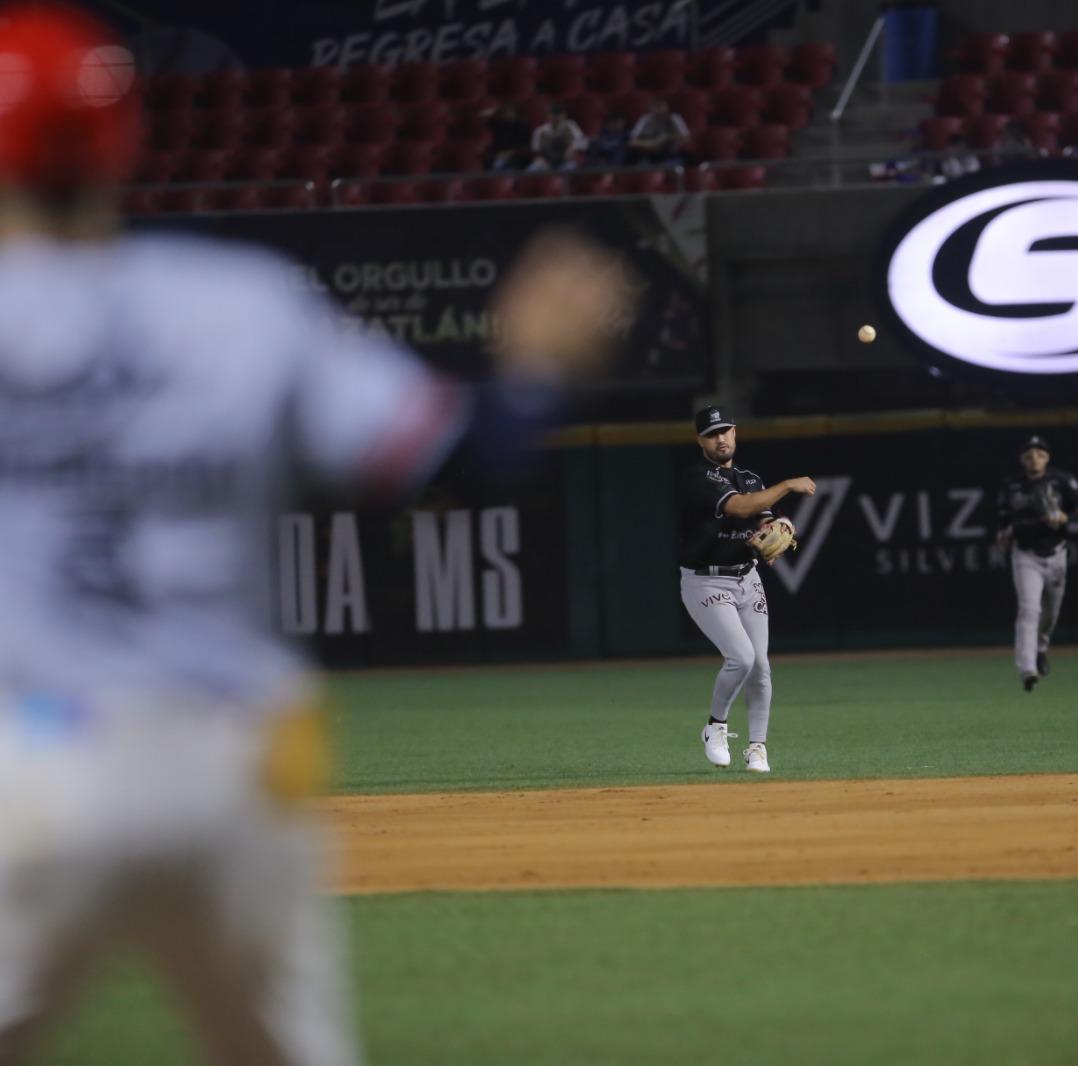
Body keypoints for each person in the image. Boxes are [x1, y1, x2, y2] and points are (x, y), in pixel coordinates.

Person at [0, 7, 634, 1064]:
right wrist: (533, 367)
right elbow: (471, 457)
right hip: (234, 766)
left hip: (37, 751)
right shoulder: (240, 304)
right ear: (120, 145)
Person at [676, 407, 815, 773]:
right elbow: (740, 507)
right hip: (705, 579)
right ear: (700, 441)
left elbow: (764, 517)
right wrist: (788, 485)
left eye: (724, 430)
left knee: (761, 667)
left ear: (735, 433)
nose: (720, 438)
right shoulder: (698, 477)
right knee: (741, 657)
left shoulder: (751, 479)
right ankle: (715, 727)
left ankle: (758, 748)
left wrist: (780, 526)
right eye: (711, 433)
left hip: (746, 578)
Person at [994, 436, 1078, 692]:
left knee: (1050, 613)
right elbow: (1003, 518)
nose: (1034, 458)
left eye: (1039, 454)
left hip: (1055, 553)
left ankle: (1041, 648)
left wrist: (1066, 517)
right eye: (1029, 454)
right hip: (1025, 554)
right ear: (1022, 459)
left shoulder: (1061, 480)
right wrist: (1003, 534)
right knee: (1029, 609)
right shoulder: (1011, 485)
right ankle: (1027, 669)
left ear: (1047, 458)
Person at [628, 97, 690, 165]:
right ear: (651, 108)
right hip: (648, 155)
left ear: (667, 107)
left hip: (670, 155)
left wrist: (667, 137)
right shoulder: (645, 119)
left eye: (661, 106)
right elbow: (632, 142)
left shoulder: (675, 118)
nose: (659, 110)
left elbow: (686, 139)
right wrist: (649, 143)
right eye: (656, 106)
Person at [530, 99, 587, 171]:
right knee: (532, 169)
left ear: (564, 115)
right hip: (547, 163)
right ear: (548, 115)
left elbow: (582, 143)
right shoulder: (540, 131)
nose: (556, 118)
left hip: (566, 162)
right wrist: (540, 160)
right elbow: (536, 152)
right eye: (553, 115)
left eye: (559, 115)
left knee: (571, 168)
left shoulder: (571, 126)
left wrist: (572, 148)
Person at [482, 100, 531, 171]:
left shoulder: (522, 126)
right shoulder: (497, 125)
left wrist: (510, 153)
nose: (507, 114)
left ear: (514, 113)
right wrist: (495, 112)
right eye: (505, 112)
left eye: (510, 111)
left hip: (516, 157)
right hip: (498, 156)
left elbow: (525, 147)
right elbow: (482, 117)